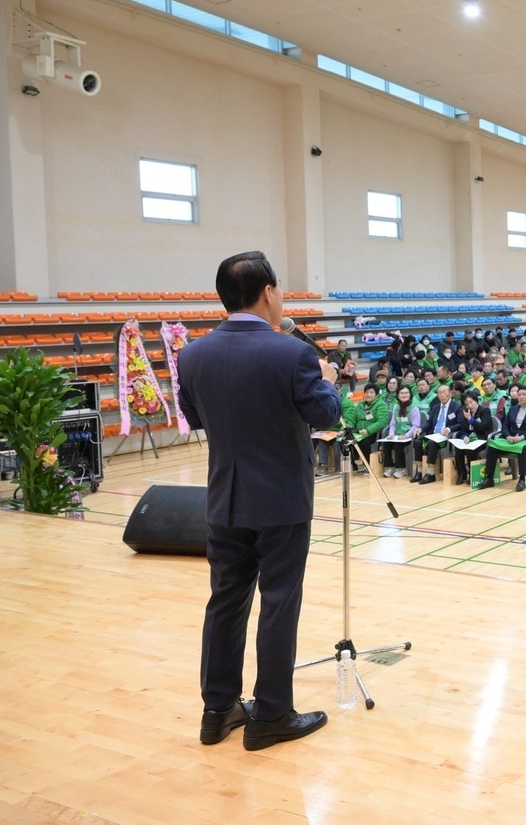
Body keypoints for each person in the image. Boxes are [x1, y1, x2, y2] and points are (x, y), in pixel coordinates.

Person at [177, 251, 340, 751]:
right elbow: (327, 416)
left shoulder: (191, 355)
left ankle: (217, 710)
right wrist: (328, 381)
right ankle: (270, 714)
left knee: (225, 603)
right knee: (278, 603)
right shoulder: (291, 353)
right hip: (282, 501)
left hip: (224, 498)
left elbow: (197, 417)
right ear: (268, 292)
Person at [479, 385, 526, 491]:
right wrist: (508, 436)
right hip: (511, 438)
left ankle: (522, 479)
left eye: (524, 395)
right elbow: (505, 425)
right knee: (492, 447)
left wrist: (522, 437)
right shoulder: (513, 409)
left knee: (524, 449)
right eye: (519, 395)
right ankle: (489, 478)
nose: (521, 397)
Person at [415, 384, 466, 483]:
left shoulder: (457, 407)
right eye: (440, 393)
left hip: (446, 437)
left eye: (444, 392)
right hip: (434, 435)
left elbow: (460, 424)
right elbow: (429, 422)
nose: (442, 395)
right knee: (417, 442)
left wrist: (449, 429)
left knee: (431, 444)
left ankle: (430, 473)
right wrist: (421, 428)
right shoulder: (435, 407)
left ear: (450, 393)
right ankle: (419, 472)